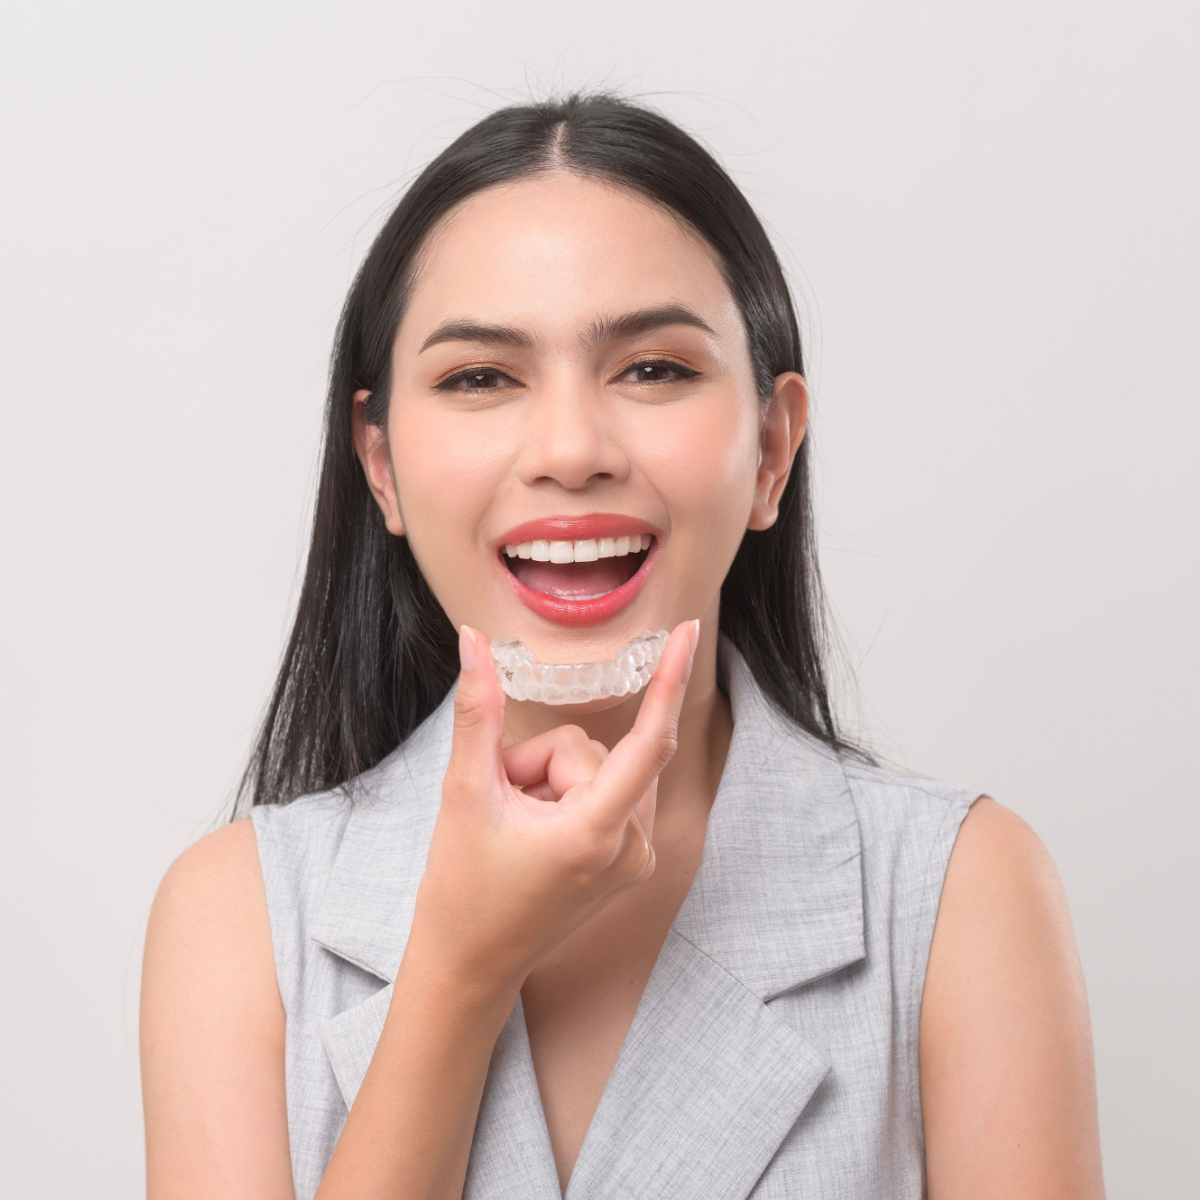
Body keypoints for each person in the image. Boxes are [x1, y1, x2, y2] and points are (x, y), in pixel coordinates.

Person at [139, 91, 1106, 1199]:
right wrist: (458, 969)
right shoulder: (241, 916)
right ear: (382, 467)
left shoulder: (954, 895)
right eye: (479, 378)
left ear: (773, 450)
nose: (569, 449)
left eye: (652, 368)